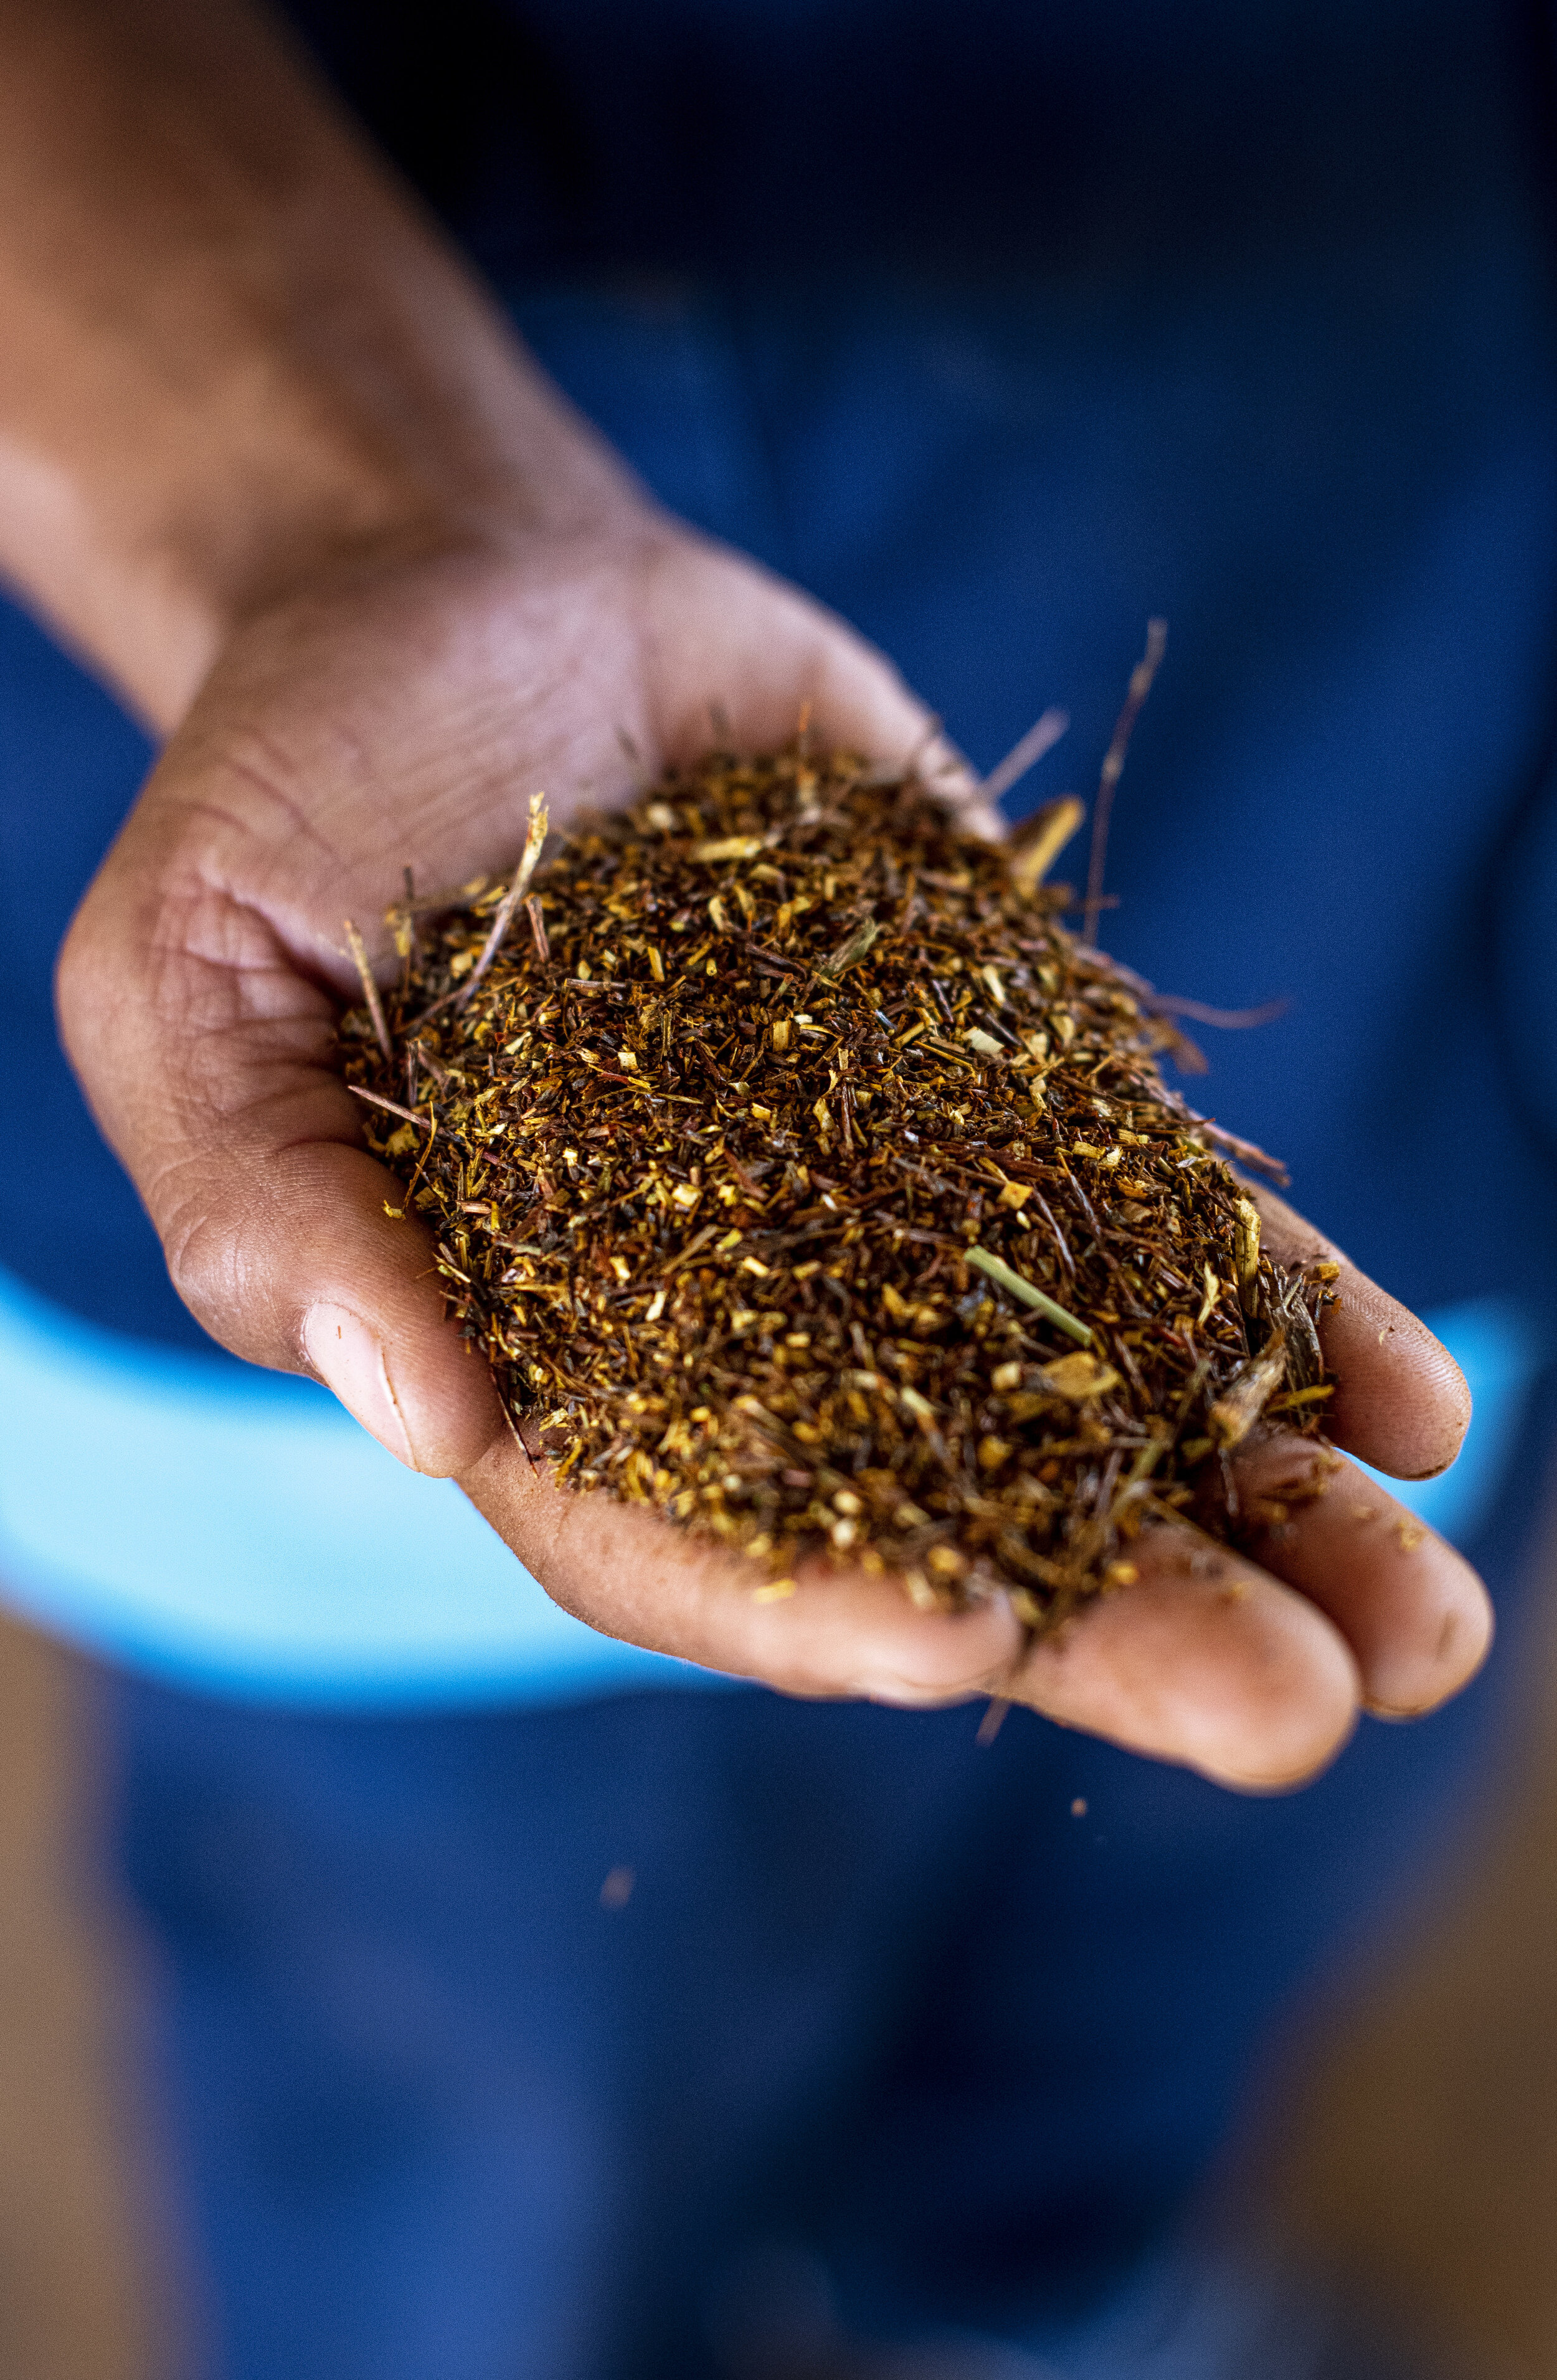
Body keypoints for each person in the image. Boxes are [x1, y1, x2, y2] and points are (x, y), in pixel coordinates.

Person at [0, 2, 1550, 2373]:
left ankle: (1036, 2307)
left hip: (1426, 721)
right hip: (310, 444)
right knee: (473, 2119)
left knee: (1169, 1932)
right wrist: (352, 512)